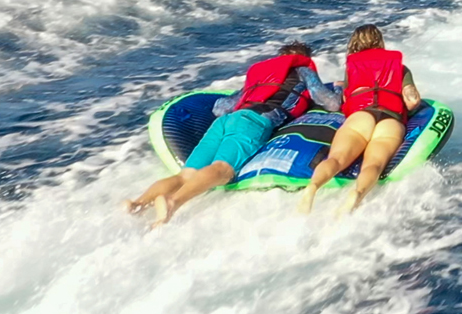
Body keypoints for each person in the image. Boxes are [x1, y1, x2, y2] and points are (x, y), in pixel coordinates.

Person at [125, 41, 339, 227]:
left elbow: (221, 107)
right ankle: (173, 203)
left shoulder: (259, 77)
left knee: (185, 174)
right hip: (254, 121)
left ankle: (138, 204)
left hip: (225, 121)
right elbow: (328, 102)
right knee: (222, 170)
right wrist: (337, 91)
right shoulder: (304, 71)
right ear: (304, 59)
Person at [297, 24, 423, 216]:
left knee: (337, 159)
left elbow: (347, 99)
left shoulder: (352, 67)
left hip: (361, 116)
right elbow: (412, 101)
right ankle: (357, 194)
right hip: (390, 118)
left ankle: (313, 188)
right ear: (380, 41)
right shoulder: (400, 67)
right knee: (374, 164)